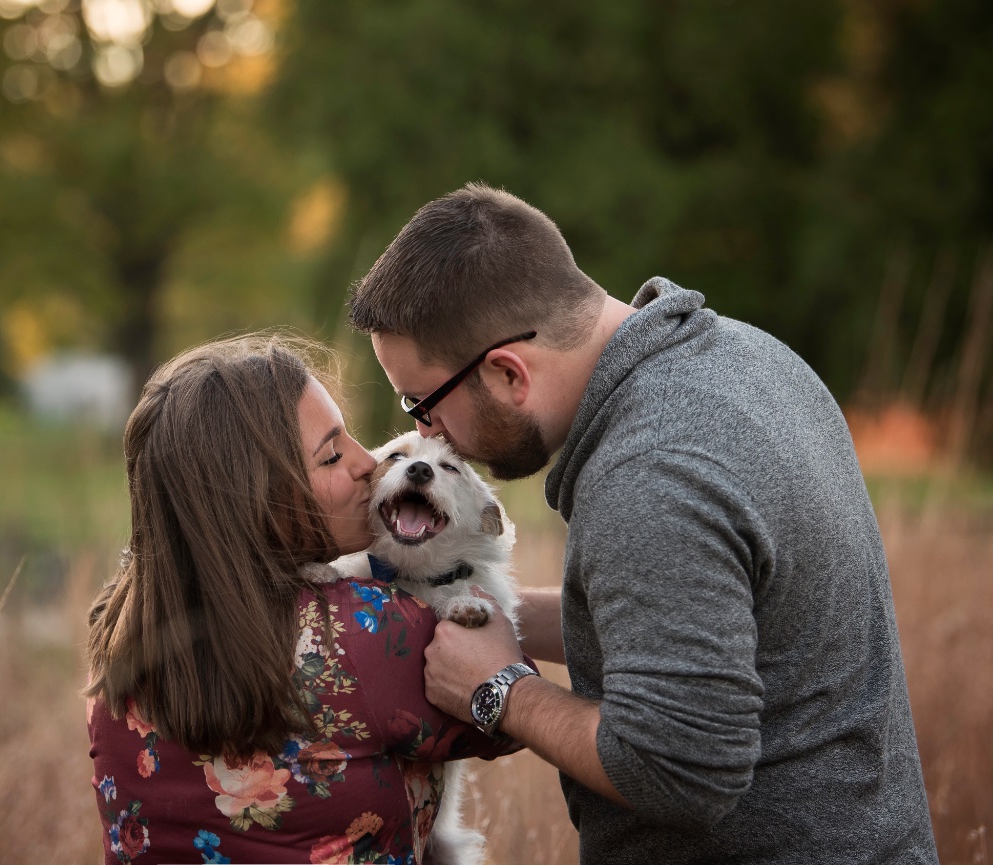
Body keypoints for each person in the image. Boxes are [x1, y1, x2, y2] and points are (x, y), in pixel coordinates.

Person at [348, 183, 940, 864]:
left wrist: (500, 689)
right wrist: (474, 611)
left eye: (423, 401)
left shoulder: (650, 474)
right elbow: (702, 618)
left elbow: (680, 770)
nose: (425, 432)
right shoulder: (747, 356)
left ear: (509, 372)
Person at [84, 334, 518, 865]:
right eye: (333, 454)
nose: (369, 464)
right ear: (258, 496)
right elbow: (505, 724)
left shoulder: (121, 629)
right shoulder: (371, 634)